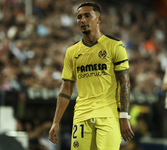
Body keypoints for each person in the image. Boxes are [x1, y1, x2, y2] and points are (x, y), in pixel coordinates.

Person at [49, 2, 134, 150]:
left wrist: (124, 116)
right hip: (81, 117)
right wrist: (56, 122)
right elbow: (66, 88)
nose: (82, 20)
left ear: (99, 19)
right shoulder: (72, 51)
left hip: (108, 116)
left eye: (87, 16)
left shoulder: (115, 46)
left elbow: (124, 83)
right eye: (79, 17)